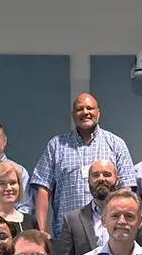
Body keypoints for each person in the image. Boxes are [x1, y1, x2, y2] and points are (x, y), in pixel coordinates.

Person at [30, 93, 136, 238]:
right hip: (66, 231)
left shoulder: (116, 144)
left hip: (108, 231)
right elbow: (43, 188)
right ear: (73, 115)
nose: (85, 112)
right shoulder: (56, 145)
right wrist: (41, 231)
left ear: (98, 113)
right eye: (80, 109)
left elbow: (126, 188)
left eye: (90, 108)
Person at [54, 159, 142, 255]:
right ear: (88, 181)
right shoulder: (72, 220)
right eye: (95, 175)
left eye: (107, 174)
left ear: (117, 180)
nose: (101, 179)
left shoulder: (135, 217)